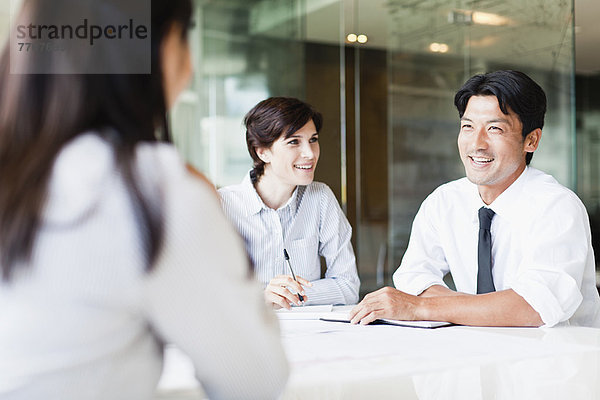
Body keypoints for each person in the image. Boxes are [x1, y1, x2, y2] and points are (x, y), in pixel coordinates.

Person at [0, 1, 287, 399]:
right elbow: (255, 379)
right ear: (162, 48)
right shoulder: (150, 190)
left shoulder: (21, 175)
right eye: (186, 35)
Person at [350, 70, 600, 327]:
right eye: (468, 127)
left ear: (531, 140)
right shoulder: (445, 201)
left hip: (559, 359)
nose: (477, 144)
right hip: (476, 353)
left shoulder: (556, 206)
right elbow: (414, 276)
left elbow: (534, 307)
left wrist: (423, 307)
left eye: (494, 129)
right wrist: (472, 310)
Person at [219, 97, 360, 309]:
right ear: (262, 151)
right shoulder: (222, 206)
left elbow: (348, 287)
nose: (310, 153)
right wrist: (259, 299)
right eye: (294, 142)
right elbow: (202, 294)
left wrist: (290, 295)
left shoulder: (320, 198)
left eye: (313, 139)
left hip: (310, 336)